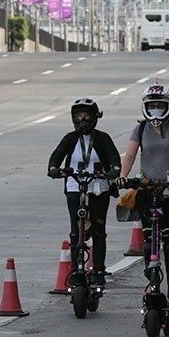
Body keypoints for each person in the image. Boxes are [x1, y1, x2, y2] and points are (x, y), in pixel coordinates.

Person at [118, 83, 169, 304]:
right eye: (152, 105)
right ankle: (152, 284)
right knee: (150, 240)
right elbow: (130, 155)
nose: (156, 110)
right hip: (147, 189)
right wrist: (124, 176)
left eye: (160, 105)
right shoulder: (140, 129)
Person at [47, 98, 122, 286]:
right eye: (79, 116)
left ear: (95, 117)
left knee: (98, 231)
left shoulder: (103, 138)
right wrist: (54, 169)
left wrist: (113, 170)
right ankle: (75, 269)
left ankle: (98, 269)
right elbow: (55, 158)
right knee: (75, 230)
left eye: (87, 115)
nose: (83, 120)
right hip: (74, 186)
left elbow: (115, 160)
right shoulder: (70, 138)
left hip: (99, 188)